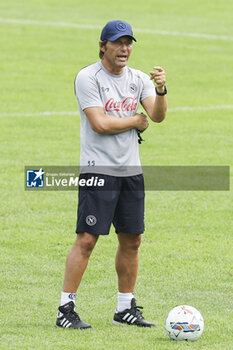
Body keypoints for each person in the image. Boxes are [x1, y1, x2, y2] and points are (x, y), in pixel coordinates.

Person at [56, 20, 167, 329]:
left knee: (132, 240)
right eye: (118, 43)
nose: (125, 49)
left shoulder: (139, 78)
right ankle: (65, 309)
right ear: (103, 45)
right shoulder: (88, 77)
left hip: (131, 171)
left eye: (129, 43)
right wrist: (134, 120)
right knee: (87, 239)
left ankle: (124, 308)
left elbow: (156, 116)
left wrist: (160, 90)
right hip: (98, 170)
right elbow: (100, 124)